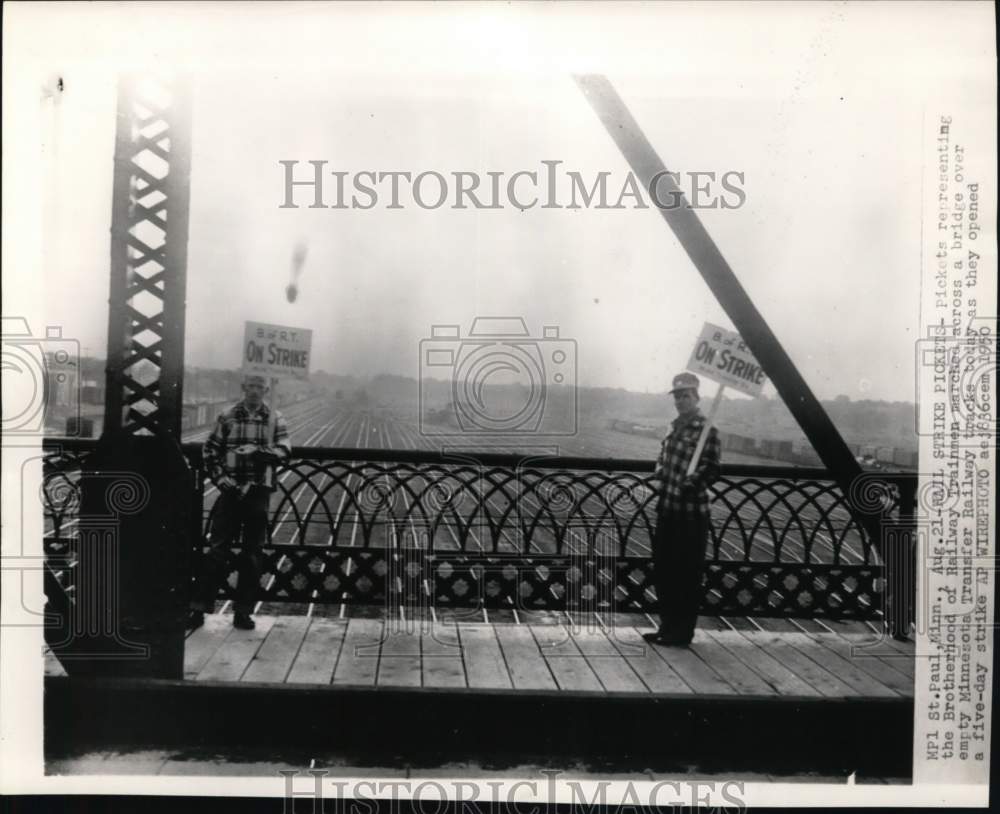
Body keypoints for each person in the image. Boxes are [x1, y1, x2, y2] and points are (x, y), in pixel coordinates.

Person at [187, 374, 291, 631]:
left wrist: (259, 452)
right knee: (216, 551)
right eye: (251, 386)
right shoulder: (227, 416)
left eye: (259, 387)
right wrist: (224, 482)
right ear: (244, 388)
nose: (255, 391)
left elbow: (285, 451)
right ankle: (199, 609)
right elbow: (210, 451)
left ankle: (243, 613)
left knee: (252, 555)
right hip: (230, 492)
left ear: (266, 390)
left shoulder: (275, 418)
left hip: (258, 492)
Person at [644, 372, 721, 646]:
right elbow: (661, 458)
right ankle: (666, 627)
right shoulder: (672, 427)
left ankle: (682, 632)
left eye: (686, 396)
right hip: (667, 508)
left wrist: (695, 482)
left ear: (696, 397)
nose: (680, 401)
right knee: (664, 571)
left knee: (687, 575)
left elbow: (712, 467)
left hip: (691, 514)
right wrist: (659, 470)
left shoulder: (706, 430)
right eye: (677, 396)